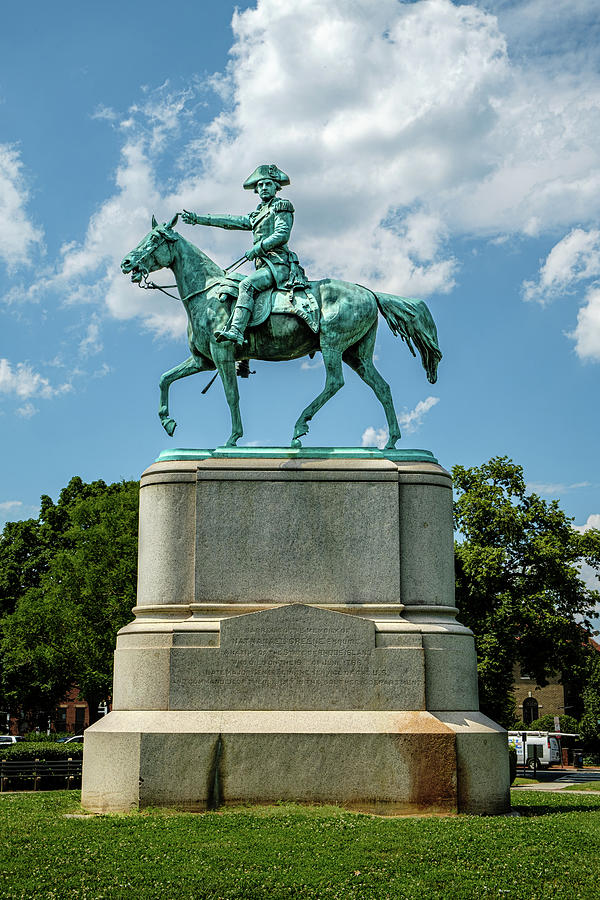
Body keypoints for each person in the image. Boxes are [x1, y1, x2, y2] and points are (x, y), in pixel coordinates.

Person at [182, 164, 303, 345]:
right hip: (263, 266)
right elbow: (230, 221)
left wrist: (258, 247)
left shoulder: (281, 206)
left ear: (276, 187)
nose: (263, 188)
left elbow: (282, 234)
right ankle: (244, 356)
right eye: (260, 185)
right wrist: (198, 219)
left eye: (268, 184)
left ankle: (237, 332)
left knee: (246, 285)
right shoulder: (257, 214)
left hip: (279, 265)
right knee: (230, 283)